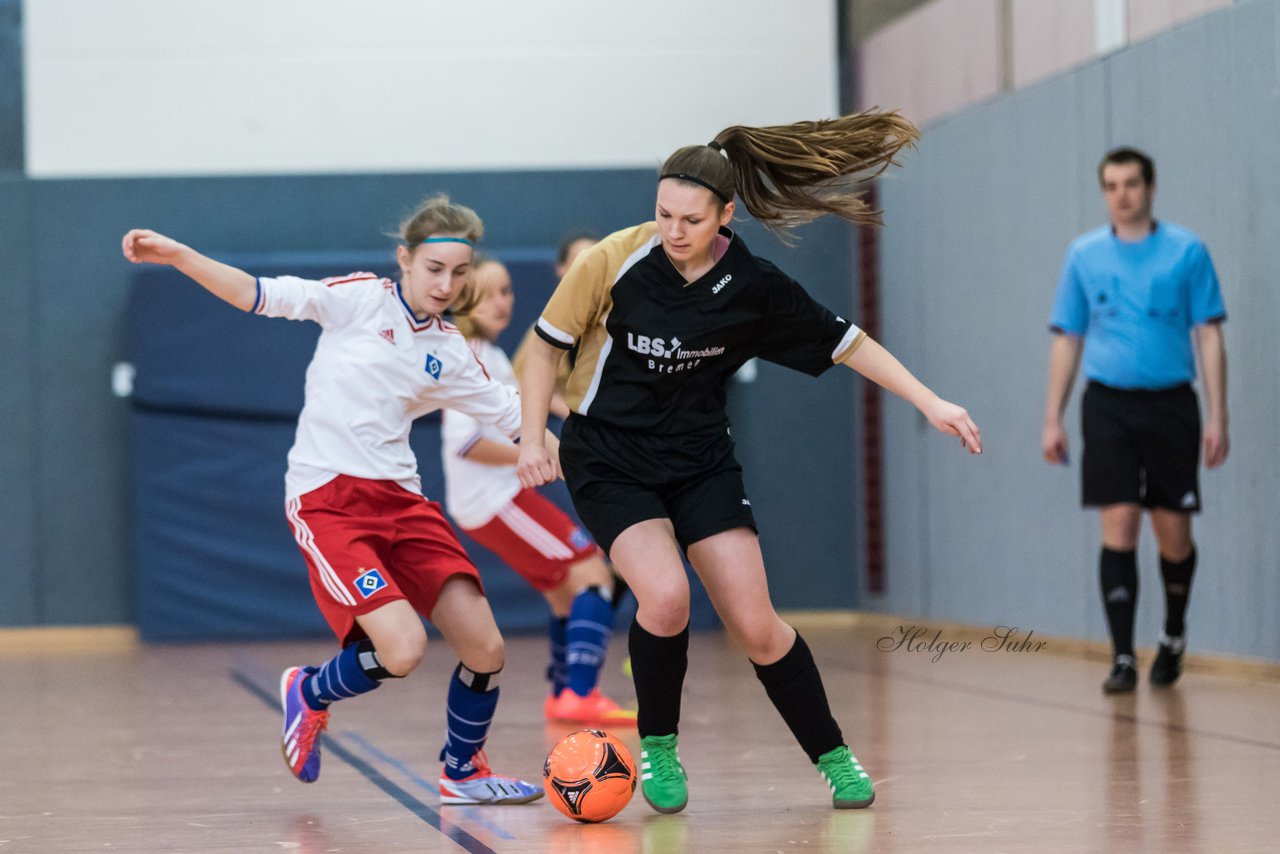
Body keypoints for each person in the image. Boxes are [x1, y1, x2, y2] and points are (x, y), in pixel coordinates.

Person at [515, 111, 982, 813]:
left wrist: (929, 400)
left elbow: (848, 342)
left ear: (725, 216)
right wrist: (528, 439)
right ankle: (660, 746)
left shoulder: (753, 285)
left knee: (758, 625)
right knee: (666, 598)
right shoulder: (612, 260)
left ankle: (834, 757)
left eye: (692, 219)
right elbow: (545, 347)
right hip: (608, 456)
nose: (674, 230)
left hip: (700, 459)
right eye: (664, 214)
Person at [121, 195, 546, 805]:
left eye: (459, 273)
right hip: (329, 500)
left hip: (403, 502)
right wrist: (181, 256)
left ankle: (463, 771)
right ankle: (312, 691)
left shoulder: (454, 351)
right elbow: (256, 294)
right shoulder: (356, 300)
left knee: (486, 646)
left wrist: (566, 443)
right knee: (401, 649)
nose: (446, 284)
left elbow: (514, 416)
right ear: (404, 259)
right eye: (433, 269)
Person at [1042, 147, 1228, 694]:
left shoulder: (1187, 251)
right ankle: (1122, 656)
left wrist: (1219, 415)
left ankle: (1172, 635)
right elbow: (1067, 338)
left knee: (1173, 534)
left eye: (1130, 183)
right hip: (1108, 406)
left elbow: (1210, 335)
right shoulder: (1083, 255)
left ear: (1149, 187)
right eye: (1111, 185)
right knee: (1119, 523)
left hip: (1172, 404)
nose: (1121, 194)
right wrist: (1051, 416)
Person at [441, 256, 635, 725]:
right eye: (488, 293)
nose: (501, 301)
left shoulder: (489, 354)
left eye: (506, 291)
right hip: (493, 500)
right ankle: (580, 692)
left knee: (564, 592)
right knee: (593, 574)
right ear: (463, 300)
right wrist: (536, 455)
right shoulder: (471, 356)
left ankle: (561, 692)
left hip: (495, 500)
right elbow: (465, 442)